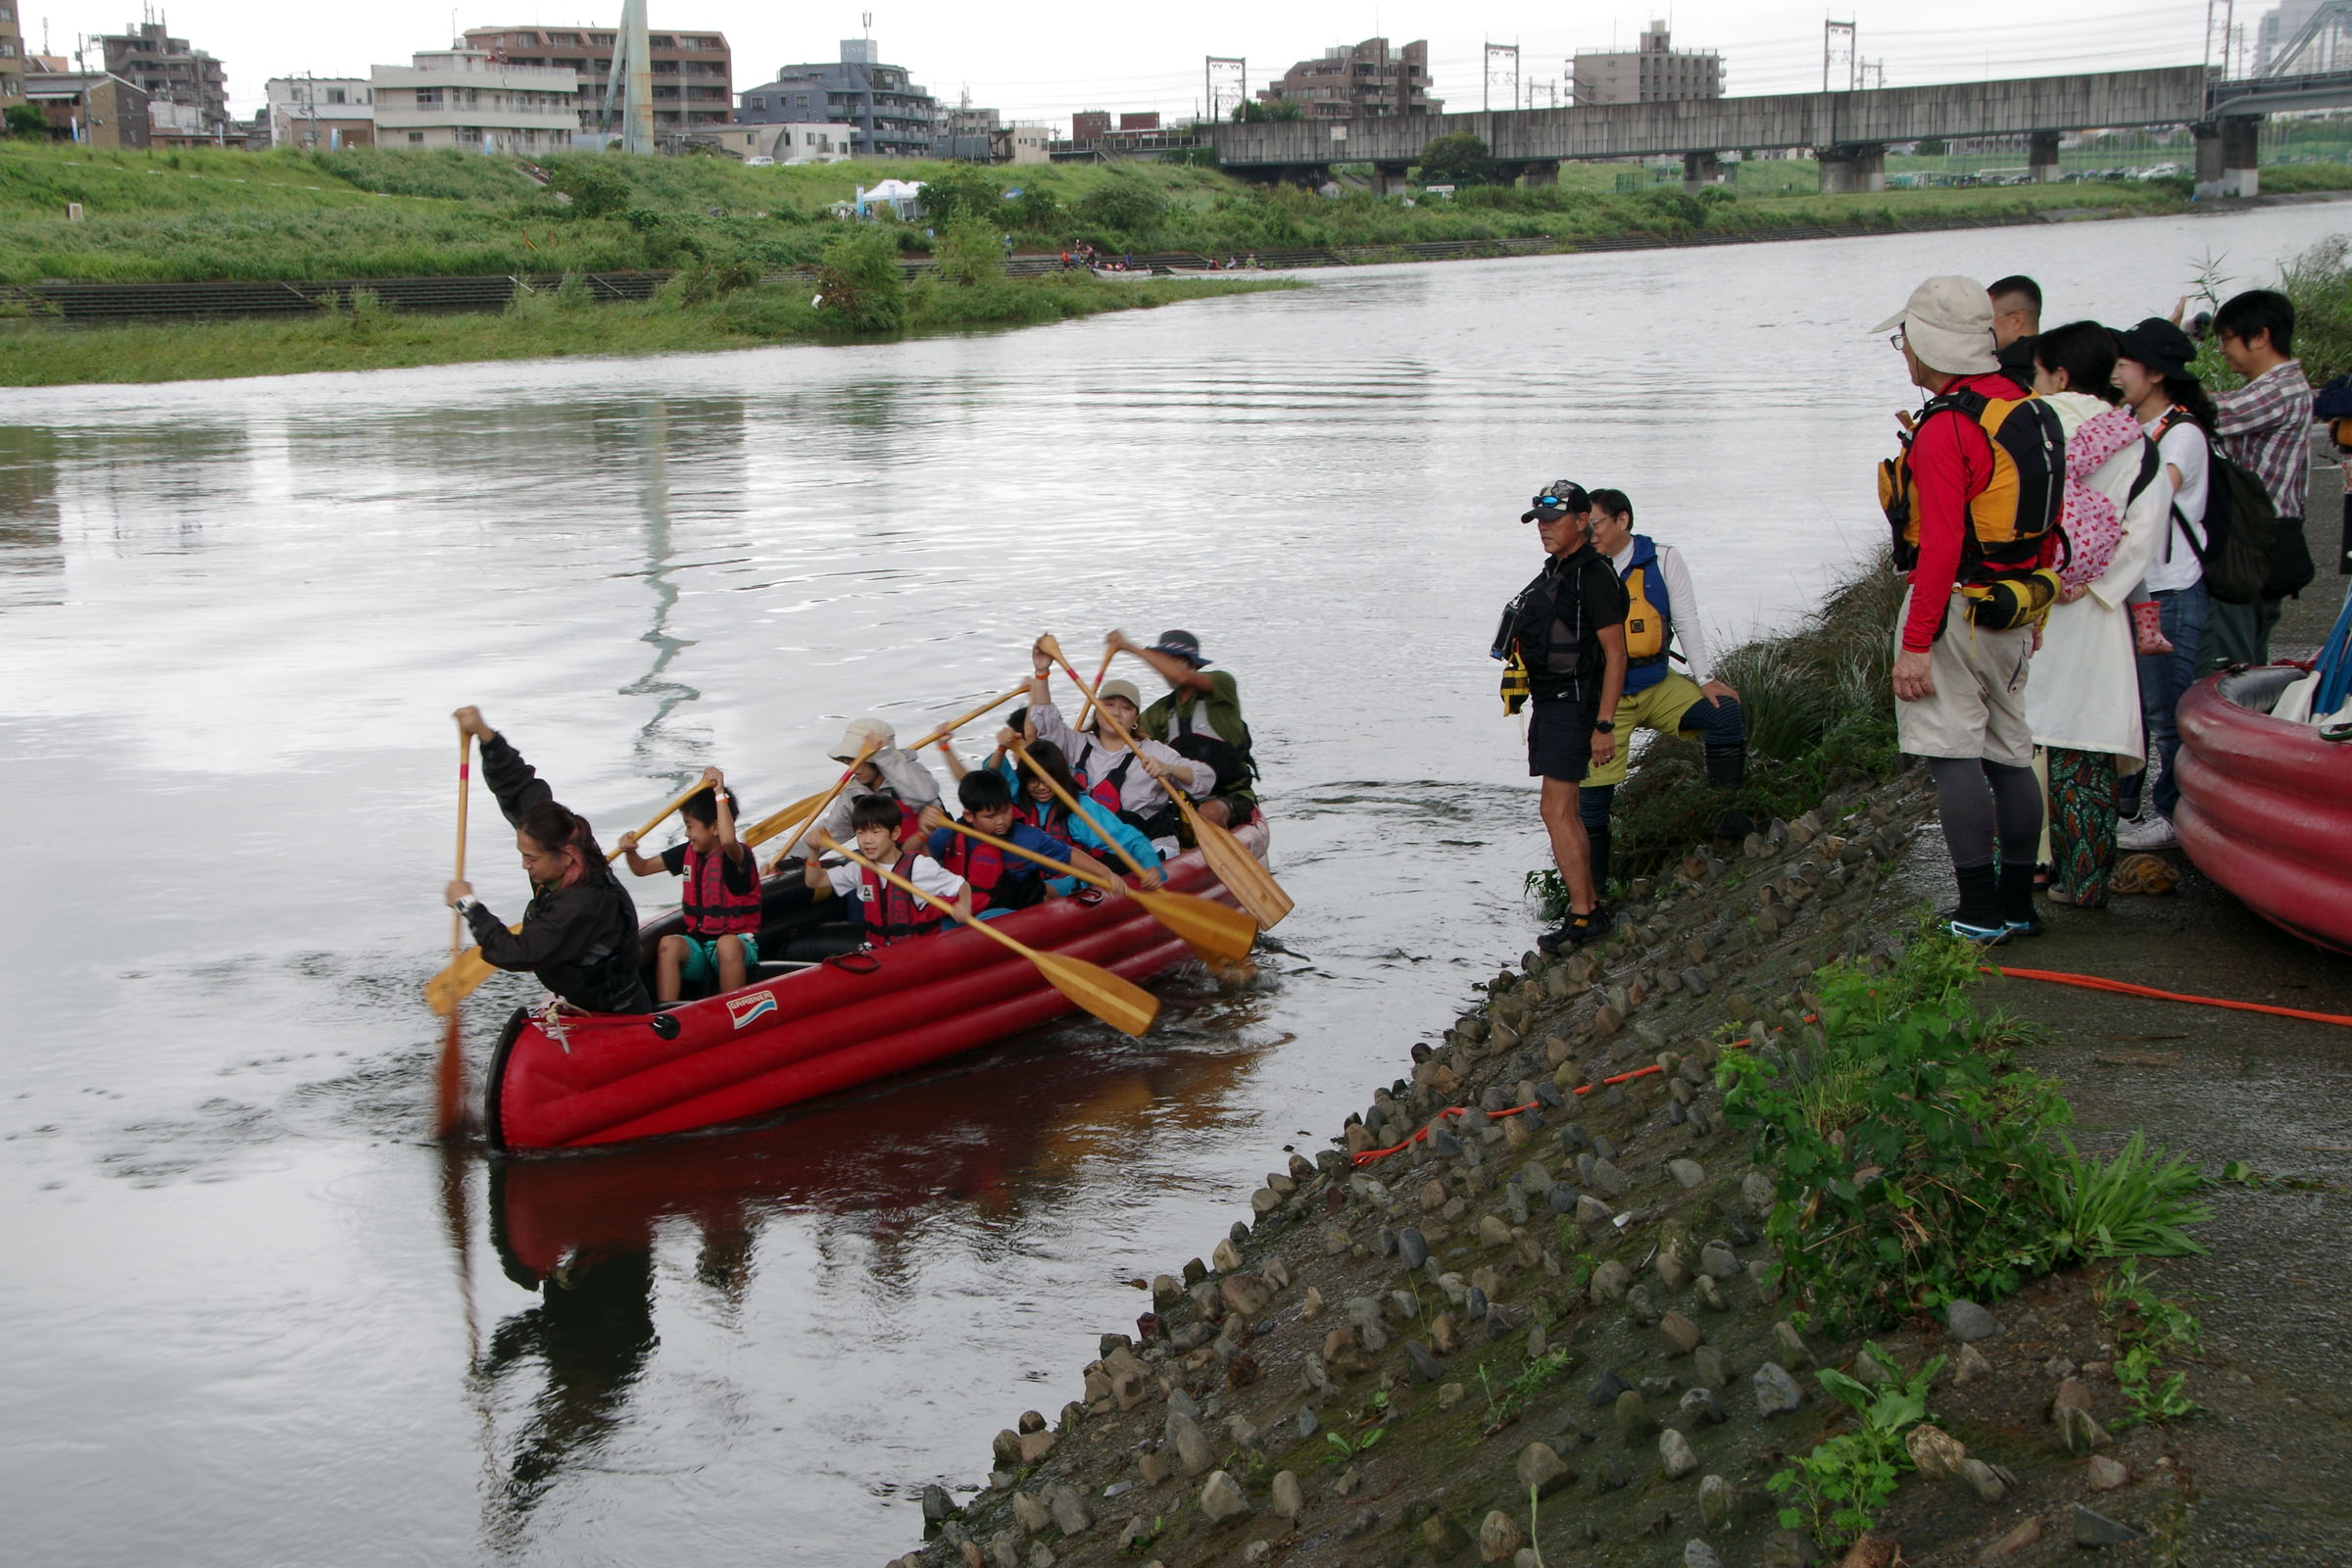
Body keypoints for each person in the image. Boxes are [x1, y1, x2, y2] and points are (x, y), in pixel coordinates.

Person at [1872, 276, 2065, 943]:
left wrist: (1915, 643)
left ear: (1925, 345)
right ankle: (2018, 904)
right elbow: (2049, 522)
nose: (1902, 353)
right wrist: (2037, 609)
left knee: (1953, 755)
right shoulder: (2029, 408)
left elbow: (1943, 545)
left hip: (1957, 609)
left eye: (1904, 340)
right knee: (2012, 754)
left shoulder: (1946, 428)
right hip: (2017, 603)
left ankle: (1977, 912)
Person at [2021, 321, 2173, 912]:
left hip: (2031, 602)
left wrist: (2035, 579)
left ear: (2058, 374)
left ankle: (2028, 866)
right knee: (2084, 740)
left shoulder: (2026, 426)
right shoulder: (2135, 441)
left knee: (2024, 737)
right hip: (2094, 611)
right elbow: (2144, 531)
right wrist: (2098, 585)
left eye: (2037, 372)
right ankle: (2082, 881)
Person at [1576, 488, 1751, 892]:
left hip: (1657, 684)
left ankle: (1728, 819)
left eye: (1597, 523)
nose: (1590, 533)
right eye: (1586, 525)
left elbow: (1686, 619)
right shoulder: (1582, 567)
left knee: (1725, 714)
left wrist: (1705, 679)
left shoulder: (1664, 559)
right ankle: (1593, 895)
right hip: (1607, 699)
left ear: (1623, 521)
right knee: (1593, 803)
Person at [1491, 479, 1627, 954]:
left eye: (1553, 522)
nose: (1544, 530)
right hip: (1552, 704)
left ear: (1582, 520)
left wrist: (1604, 723)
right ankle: (1585, 907)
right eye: (1540, 523)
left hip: (1576, 705)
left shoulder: (1593, 575)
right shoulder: (1557, 571)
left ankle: (1585, 914)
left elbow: (1616, 655)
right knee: (1558, 811)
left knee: (1557, 809)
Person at [444, 708, 653, 1014]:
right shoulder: (559, 835)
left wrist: (469, 907)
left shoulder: (580, 905)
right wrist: (486, 737)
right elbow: (521, 788)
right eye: (522, 855)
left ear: (565, 857)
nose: (525, 866)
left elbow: (519, 953)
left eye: (530, 858)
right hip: (582, 999)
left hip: (616, 1012)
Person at [2112, 318, 2218, 851]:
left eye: (2124, 364)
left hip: (2169, 590)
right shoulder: (2130, 423)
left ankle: (2175, 817)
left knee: (2167, 711)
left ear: (2154, 375)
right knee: (2132, 704)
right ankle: (2126, 805)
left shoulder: (2183, 434)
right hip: (2136, 587)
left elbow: (2146, 497)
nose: (2115, 373)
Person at [2205, 287, 2315, 669]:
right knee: (2250, 654)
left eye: (2226, 339)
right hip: (2269, 538)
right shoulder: (2279, 388)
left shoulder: (2280, 389)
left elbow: (2213, 412)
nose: (2221, 349)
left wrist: (2159, 374)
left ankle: (2239, 724)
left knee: (2234, 664)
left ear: (2261, 336)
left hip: (2252, 542)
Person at [1025, 648, 1214, 847]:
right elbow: (1045, 720)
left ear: (1135, 719)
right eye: (1109, 705)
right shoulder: (1075, 743)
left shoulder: (1152, 752)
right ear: (1096, 712)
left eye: (1126, 708)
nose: (1116, 713)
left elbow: (1204, 778)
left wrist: (1170, 769)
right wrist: (1041, 672)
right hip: (1088, 846)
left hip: (1145, 846)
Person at [616, 767, 760, 1003]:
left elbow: (727, 839)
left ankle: (733, 1011)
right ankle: (667, 1014)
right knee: (668, 945)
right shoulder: (687, 852)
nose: (686, 833)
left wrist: (719, 791)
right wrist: (630, 852)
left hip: (739, 947)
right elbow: (641, 869)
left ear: (714, 827)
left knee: (727, 945)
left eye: (690, 826)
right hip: (700, 947)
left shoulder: (736, 856)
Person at [922, 768, 1122, 916]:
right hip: (969, 907)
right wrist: (922, 834)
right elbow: (919, 863)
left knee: (1059, 885)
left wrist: (1105, 874)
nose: (1000, 821)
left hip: (1014, 906)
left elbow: (1068, 855)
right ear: (969, 815)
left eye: (1005, 812)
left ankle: (1075, 884)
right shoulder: (949, 835)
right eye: (990, 816)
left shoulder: (1027, 838)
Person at [1117, 628, 1260, 830]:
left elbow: (1182, 677)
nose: (1165, 668)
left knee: (1209, 813)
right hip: (1183, 801)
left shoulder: (1221, 685)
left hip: (1229, 796)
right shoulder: (1159, 711)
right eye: (1163, 660)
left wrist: (1128, 646)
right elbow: (1125, 741)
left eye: (1172, 660)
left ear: (1192, 664)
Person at [808, 793, 969, 949]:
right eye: (860, 833)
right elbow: (815, 881)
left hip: (918, 950)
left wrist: (964, 906)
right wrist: (814, 852)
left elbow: (962, 886)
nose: (867, 840)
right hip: (879, 949)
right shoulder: (859, 868)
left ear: (895, 833)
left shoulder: (919, 867)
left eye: (876, 832)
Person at [779, 716, 941, 867]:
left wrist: (885, 755)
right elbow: (832, 830)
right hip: (892, 863)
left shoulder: (911, 772)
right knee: (855, 865)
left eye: (857, 761)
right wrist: (785, 861)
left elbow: (925, 794)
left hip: (931, 857)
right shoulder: (854, 793)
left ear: (875, 759)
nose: (853, 768)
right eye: (849, 761)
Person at [1987, 274, 2042, 395]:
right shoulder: (2062, 367)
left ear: (2016, 321)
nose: (1982, 327)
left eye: (1988, 319)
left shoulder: (2008, 377)